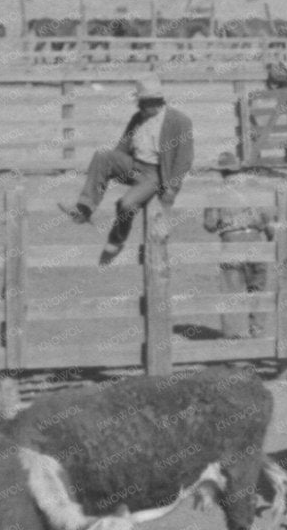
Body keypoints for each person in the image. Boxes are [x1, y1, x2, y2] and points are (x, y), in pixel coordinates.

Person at [60, 75, 194, 265]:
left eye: (146, 103)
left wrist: (172, 188)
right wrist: (111, 167)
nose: (143, 107)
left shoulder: (180, 121)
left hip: (156, 173)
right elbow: (123, 145)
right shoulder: (138, 118)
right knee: (102, 156)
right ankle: (84, 209)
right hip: (134, 164)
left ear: (157, 102)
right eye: (141, 103)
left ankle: (117, 238)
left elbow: (184, 158)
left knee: (126, 204)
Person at [201, 152, 273, 339]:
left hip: (231, 240)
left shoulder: (217, 193)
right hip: (255, 239)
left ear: (222, 172)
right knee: (257, 290)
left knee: (230, 292)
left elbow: (210, 224)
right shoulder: (255, 188)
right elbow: (268, 220)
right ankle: (257, 333)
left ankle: (231, 340)